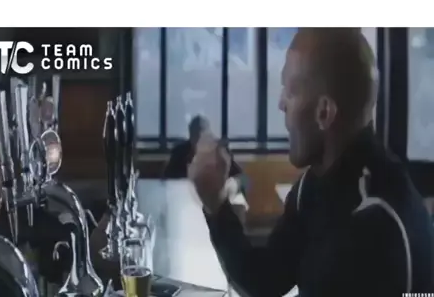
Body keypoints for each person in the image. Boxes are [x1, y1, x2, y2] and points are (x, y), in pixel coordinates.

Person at [189, 28, 434, 297]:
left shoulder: (376, 223)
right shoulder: (315, 183)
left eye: (290, 92)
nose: (281, 103)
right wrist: (216, 205)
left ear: (324, 112)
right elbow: (265, 280)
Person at [165, 115, 248, 223]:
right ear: (190, 137)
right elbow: (167, 180)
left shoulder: (220, 151)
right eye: (196, 136)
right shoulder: (179, 153)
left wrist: (231, 186)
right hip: (186, 201)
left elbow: (242, 178)